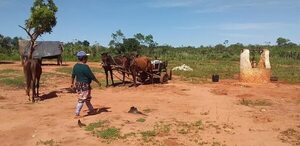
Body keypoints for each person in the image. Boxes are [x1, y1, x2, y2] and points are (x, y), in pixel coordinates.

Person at [71, 51, 101, 118]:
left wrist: (72, 83)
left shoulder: (75, 66)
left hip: (78, 84)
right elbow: (91, 76)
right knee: (81, 99)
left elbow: (73, 75)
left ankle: (92, 110)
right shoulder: (85, 67)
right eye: (86, 57)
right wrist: (98, 82)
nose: (87, 59)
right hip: (85, 85)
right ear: (84, 58)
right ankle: (77, 113)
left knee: (87, 99)